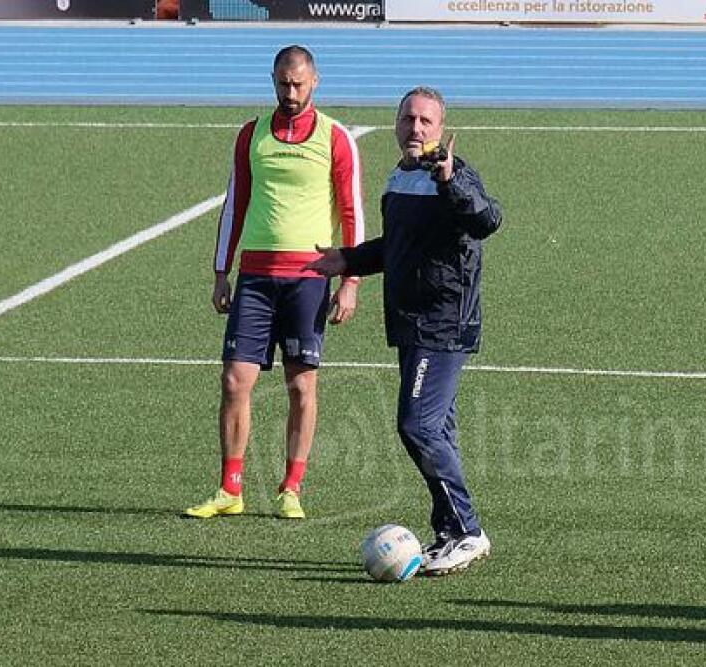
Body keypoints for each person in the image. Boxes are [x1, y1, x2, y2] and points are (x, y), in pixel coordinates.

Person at [305, 86, 502, 576]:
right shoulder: (399, 176)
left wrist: (450, 179)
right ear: (396, 123)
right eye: (408, 119)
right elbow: (397, 245)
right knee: (438, 430)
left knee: (417, 426)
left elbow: (486, 218)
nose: (416, 128)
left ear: (441, 129)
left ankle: (467, 530)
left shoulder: (452, 173)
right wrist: (347, 260)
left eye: (426, 122)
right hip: (410, 322)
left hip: (442, 322)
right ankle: (450, 531)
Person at [185, 45, 364, 520]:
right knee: (233, 379)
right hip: (255, 279)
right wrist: (221, 273)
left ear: (315, 81)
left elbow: (353, 213)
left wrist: (350, 281)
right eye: (283, 83)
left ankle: (292, 487)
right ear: (272, 80)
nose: (290, 92)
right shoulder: (251, 136)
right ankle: (230, 489)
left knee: (301, 386)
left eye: (298, 84)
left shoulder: (336, 138)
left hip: (308, 279)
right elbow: (234, 206)